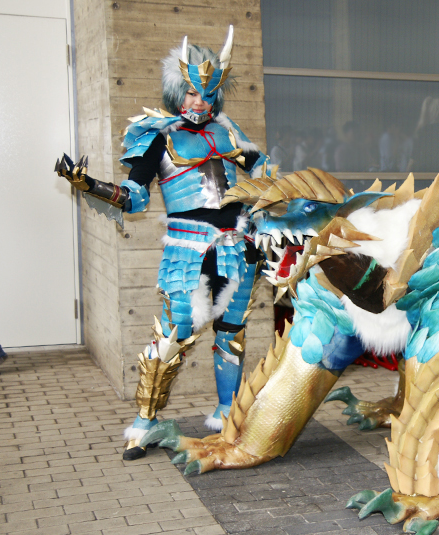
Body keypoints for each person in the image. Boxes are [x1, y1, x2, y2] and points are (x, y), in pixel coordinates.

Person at [55, 26, 269, 460]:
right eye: (191, 92)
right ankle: (146, 421)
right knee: (174, 334)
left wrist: (276, 204)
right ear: (176, 90)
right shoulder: (158, 134)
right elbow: (134, 196)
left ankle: (227, 413)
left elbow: (264, 172)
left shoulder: (228, 131)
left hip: (236, 246)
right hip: (187, 249)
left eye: (207, 94)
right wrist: (90, 185)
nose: (200, 102)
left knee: (231, 333)